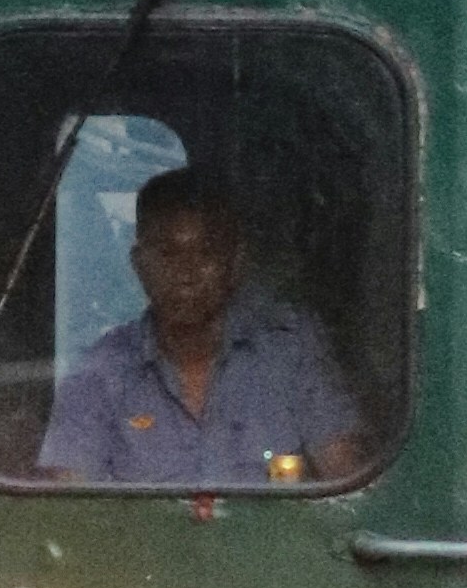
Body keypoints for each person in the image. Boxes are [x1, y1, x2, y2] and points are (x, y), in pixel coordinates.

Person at [38, 165, 366, 488]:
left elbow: (348, 483)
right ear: (139, 265)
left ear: (235, 263)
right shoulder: (98, 377)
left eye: (205, 252)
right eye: (168, 254)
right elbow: (69, 511)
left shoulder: (290, 357)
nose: (186, 274)